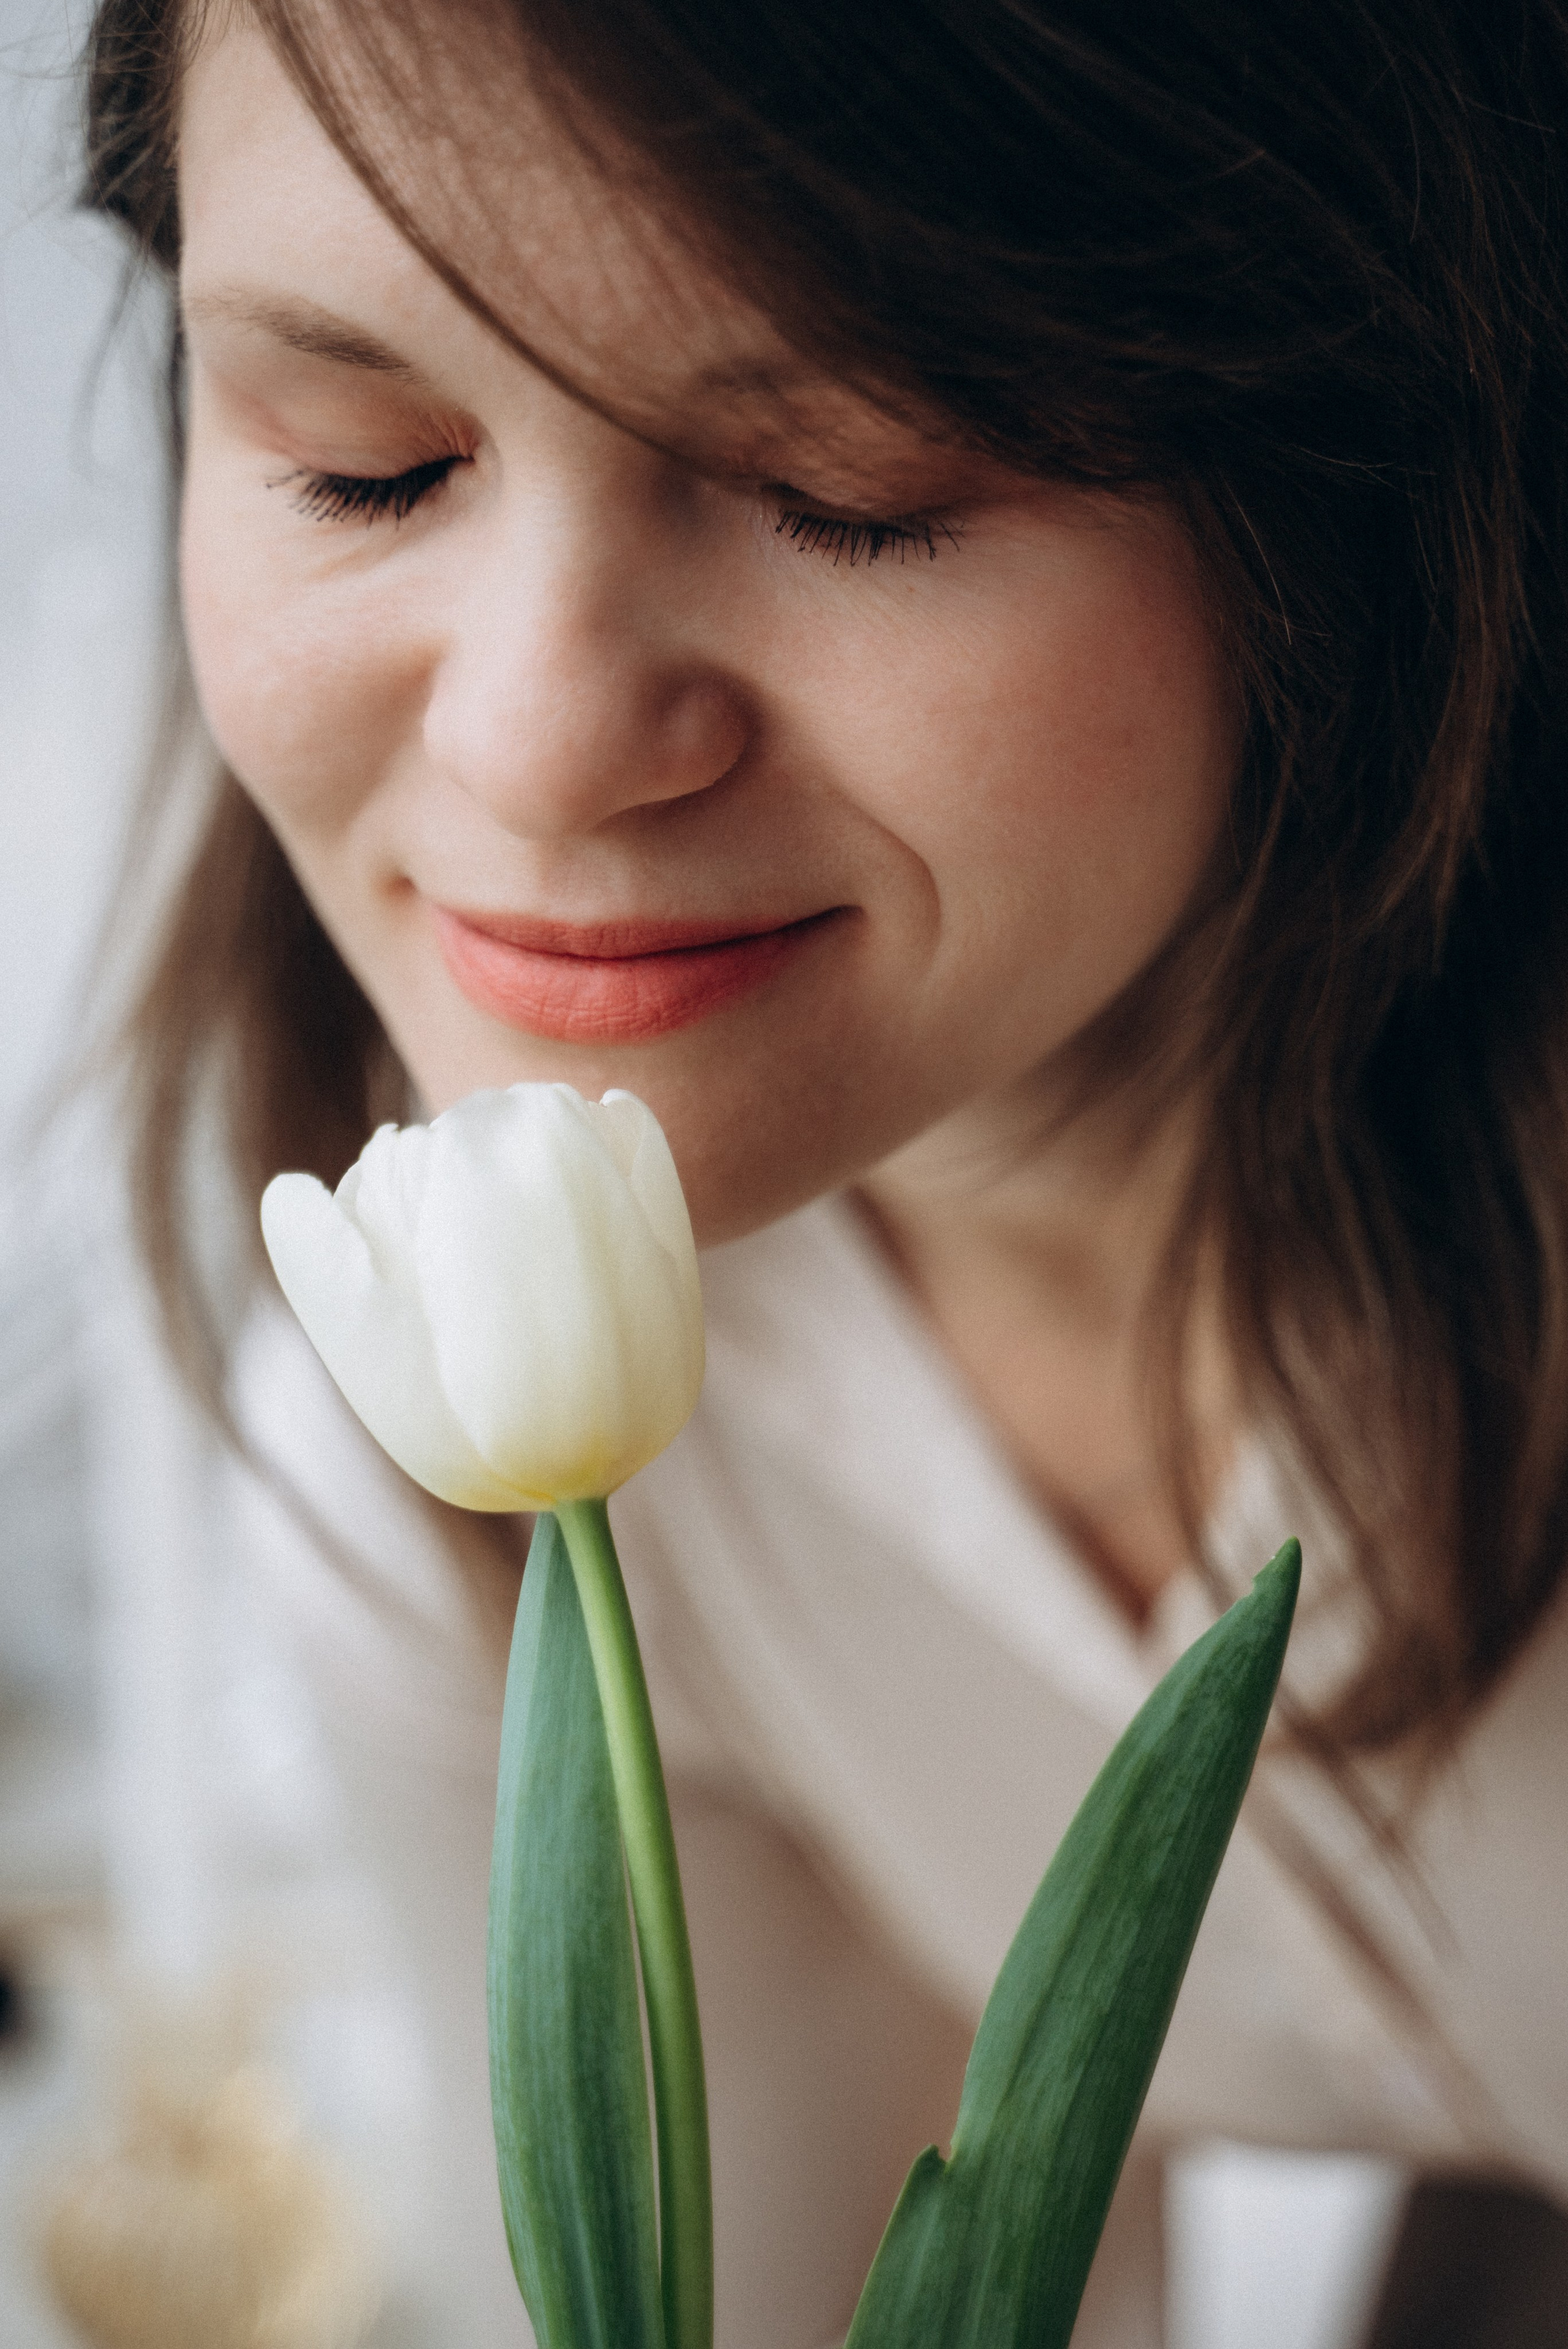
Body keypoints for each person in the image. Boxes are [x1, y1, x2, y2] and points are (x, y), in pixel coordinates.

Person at [79, 0, 1568, 2340]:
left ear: (1367, 434)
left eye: (855, 486)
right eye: (367, 465)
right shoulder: (454, 1433)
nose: (540, 744)